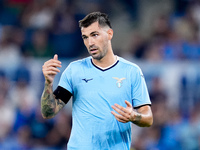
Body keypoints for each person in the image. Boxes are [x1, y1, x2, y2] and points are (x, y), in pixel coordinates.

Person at [41, 12, 153, 150]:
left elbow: (148, 118)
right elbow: (48, 112)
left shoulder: (131, 71)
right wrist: (48, 83)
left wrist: (134, 116)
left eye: (95, 35)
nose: (90, 43)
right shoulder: (74, 70)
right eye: (85, 37)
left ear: (110, 34)